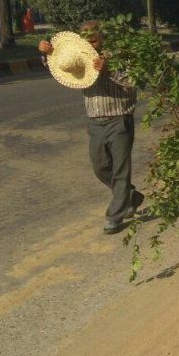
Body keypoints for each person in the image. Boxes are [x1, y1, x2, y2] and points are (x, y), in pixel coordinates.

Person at [39, 20, 143, 234]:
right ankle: (130, 196)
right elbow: (60, 64)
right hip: (94, 122)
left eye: (94, 31)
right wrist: (47, 53)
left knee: (121, 171)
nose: (90, 35)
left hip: (119, 119)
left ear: (104, 33)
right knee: (100, 167)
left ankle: (115, 216)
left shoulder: (121, 53)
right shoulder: (80, 56)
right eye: (84, 32)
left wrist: (109, 71)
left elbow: (134, 80)